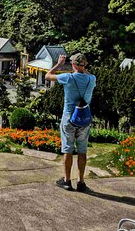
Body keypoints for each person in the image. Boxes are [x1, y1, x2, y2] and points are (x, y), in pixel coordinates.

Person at [46, 53, 96, 192]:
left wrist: (59, 64)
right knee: (82, 151)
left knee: (68, 149)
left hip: (69, 118)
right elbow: (87, 73)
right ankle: (81, 182)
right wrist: (83, 67)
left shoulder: (67, 77)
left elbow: (48, 75)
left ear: (73, 64)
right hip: (84, 119)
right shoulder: (92, 79)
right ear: (84, 65)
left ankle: (67, 181)